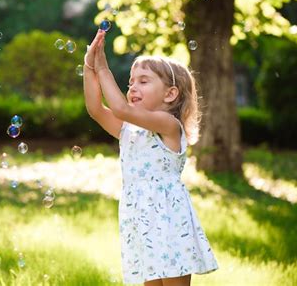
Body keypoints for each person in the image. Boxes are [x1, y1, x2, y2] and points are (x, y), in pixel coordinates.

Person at [83, 29, 219, 286]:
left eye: (143, 81)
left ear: (170, 94)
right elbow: (95, 109)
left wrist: (103, 69)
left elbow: (119, 108)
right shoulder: (128, 130)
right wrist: (89, 65)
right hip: (139, 220)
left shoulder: (169, 125)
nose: (133, 87)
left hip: (168, 221)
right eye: (131, 82)